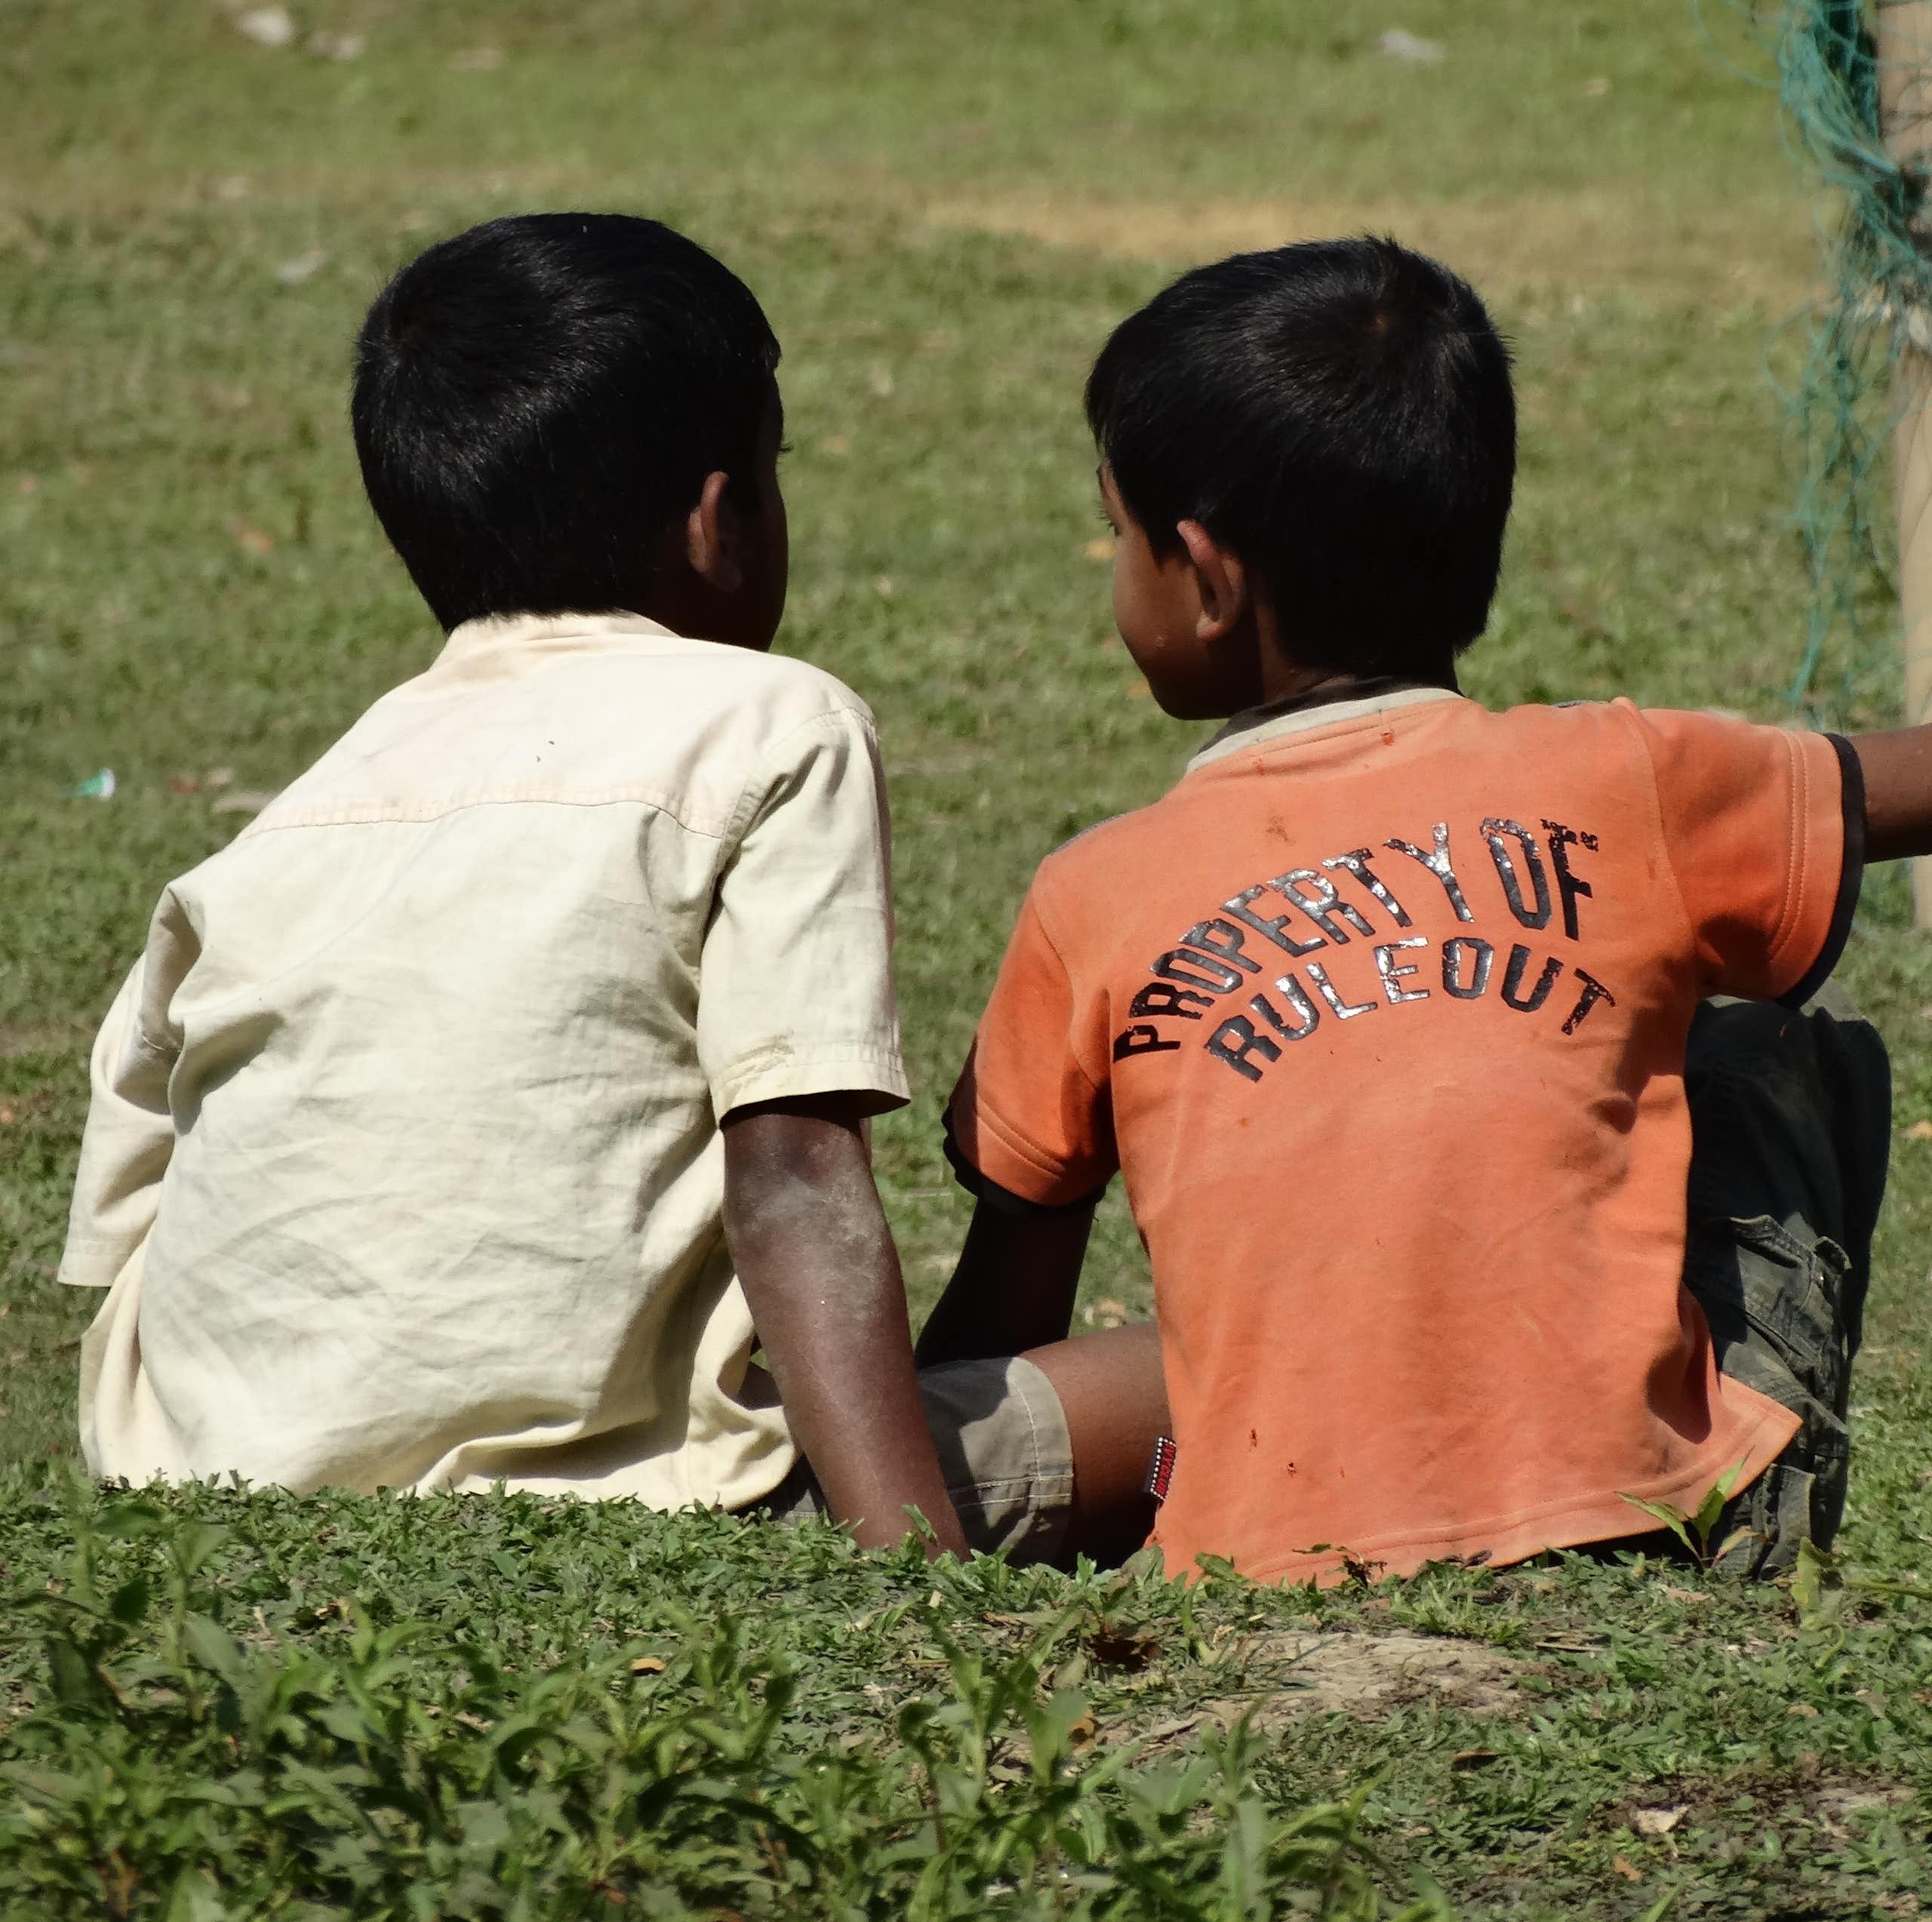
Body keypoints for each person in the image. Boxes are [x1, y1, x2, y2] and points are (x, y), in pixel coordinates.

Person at [60, 213, 1166, 1564]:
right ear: (719, 518)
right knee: (1221, 1364)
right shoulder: (770, 722)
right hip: (658, 1508)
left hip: (209, 1504)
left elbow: (129, 1228)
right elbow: (796, 1177)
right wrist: (915, 1583)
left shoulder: (290, 820)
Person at [921, 235, 1903, 1587]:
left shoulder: (1092, 892)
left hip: (1258, 1560)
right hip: (1643, 1524)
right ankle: (1731, 1484)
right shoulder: (1621, 779)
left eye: (1116, 531)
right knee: (1777, 1046)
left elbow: (1002, 1319)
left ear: (1206, 579)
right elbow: (1894, 786)